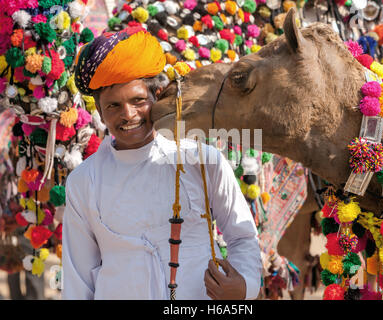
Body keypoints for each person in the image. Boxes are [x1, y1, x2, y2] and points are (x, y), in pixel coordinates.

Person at [62, 26, 262, 300]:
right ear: (99, 111)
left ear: (156, 96)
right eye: (113, 106)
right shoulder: (83, 181)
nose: (128, 114)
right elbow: (78, 278)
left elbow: (243, 237)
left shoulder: (203, 161)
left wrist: (245, 287)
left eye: (138, 100)